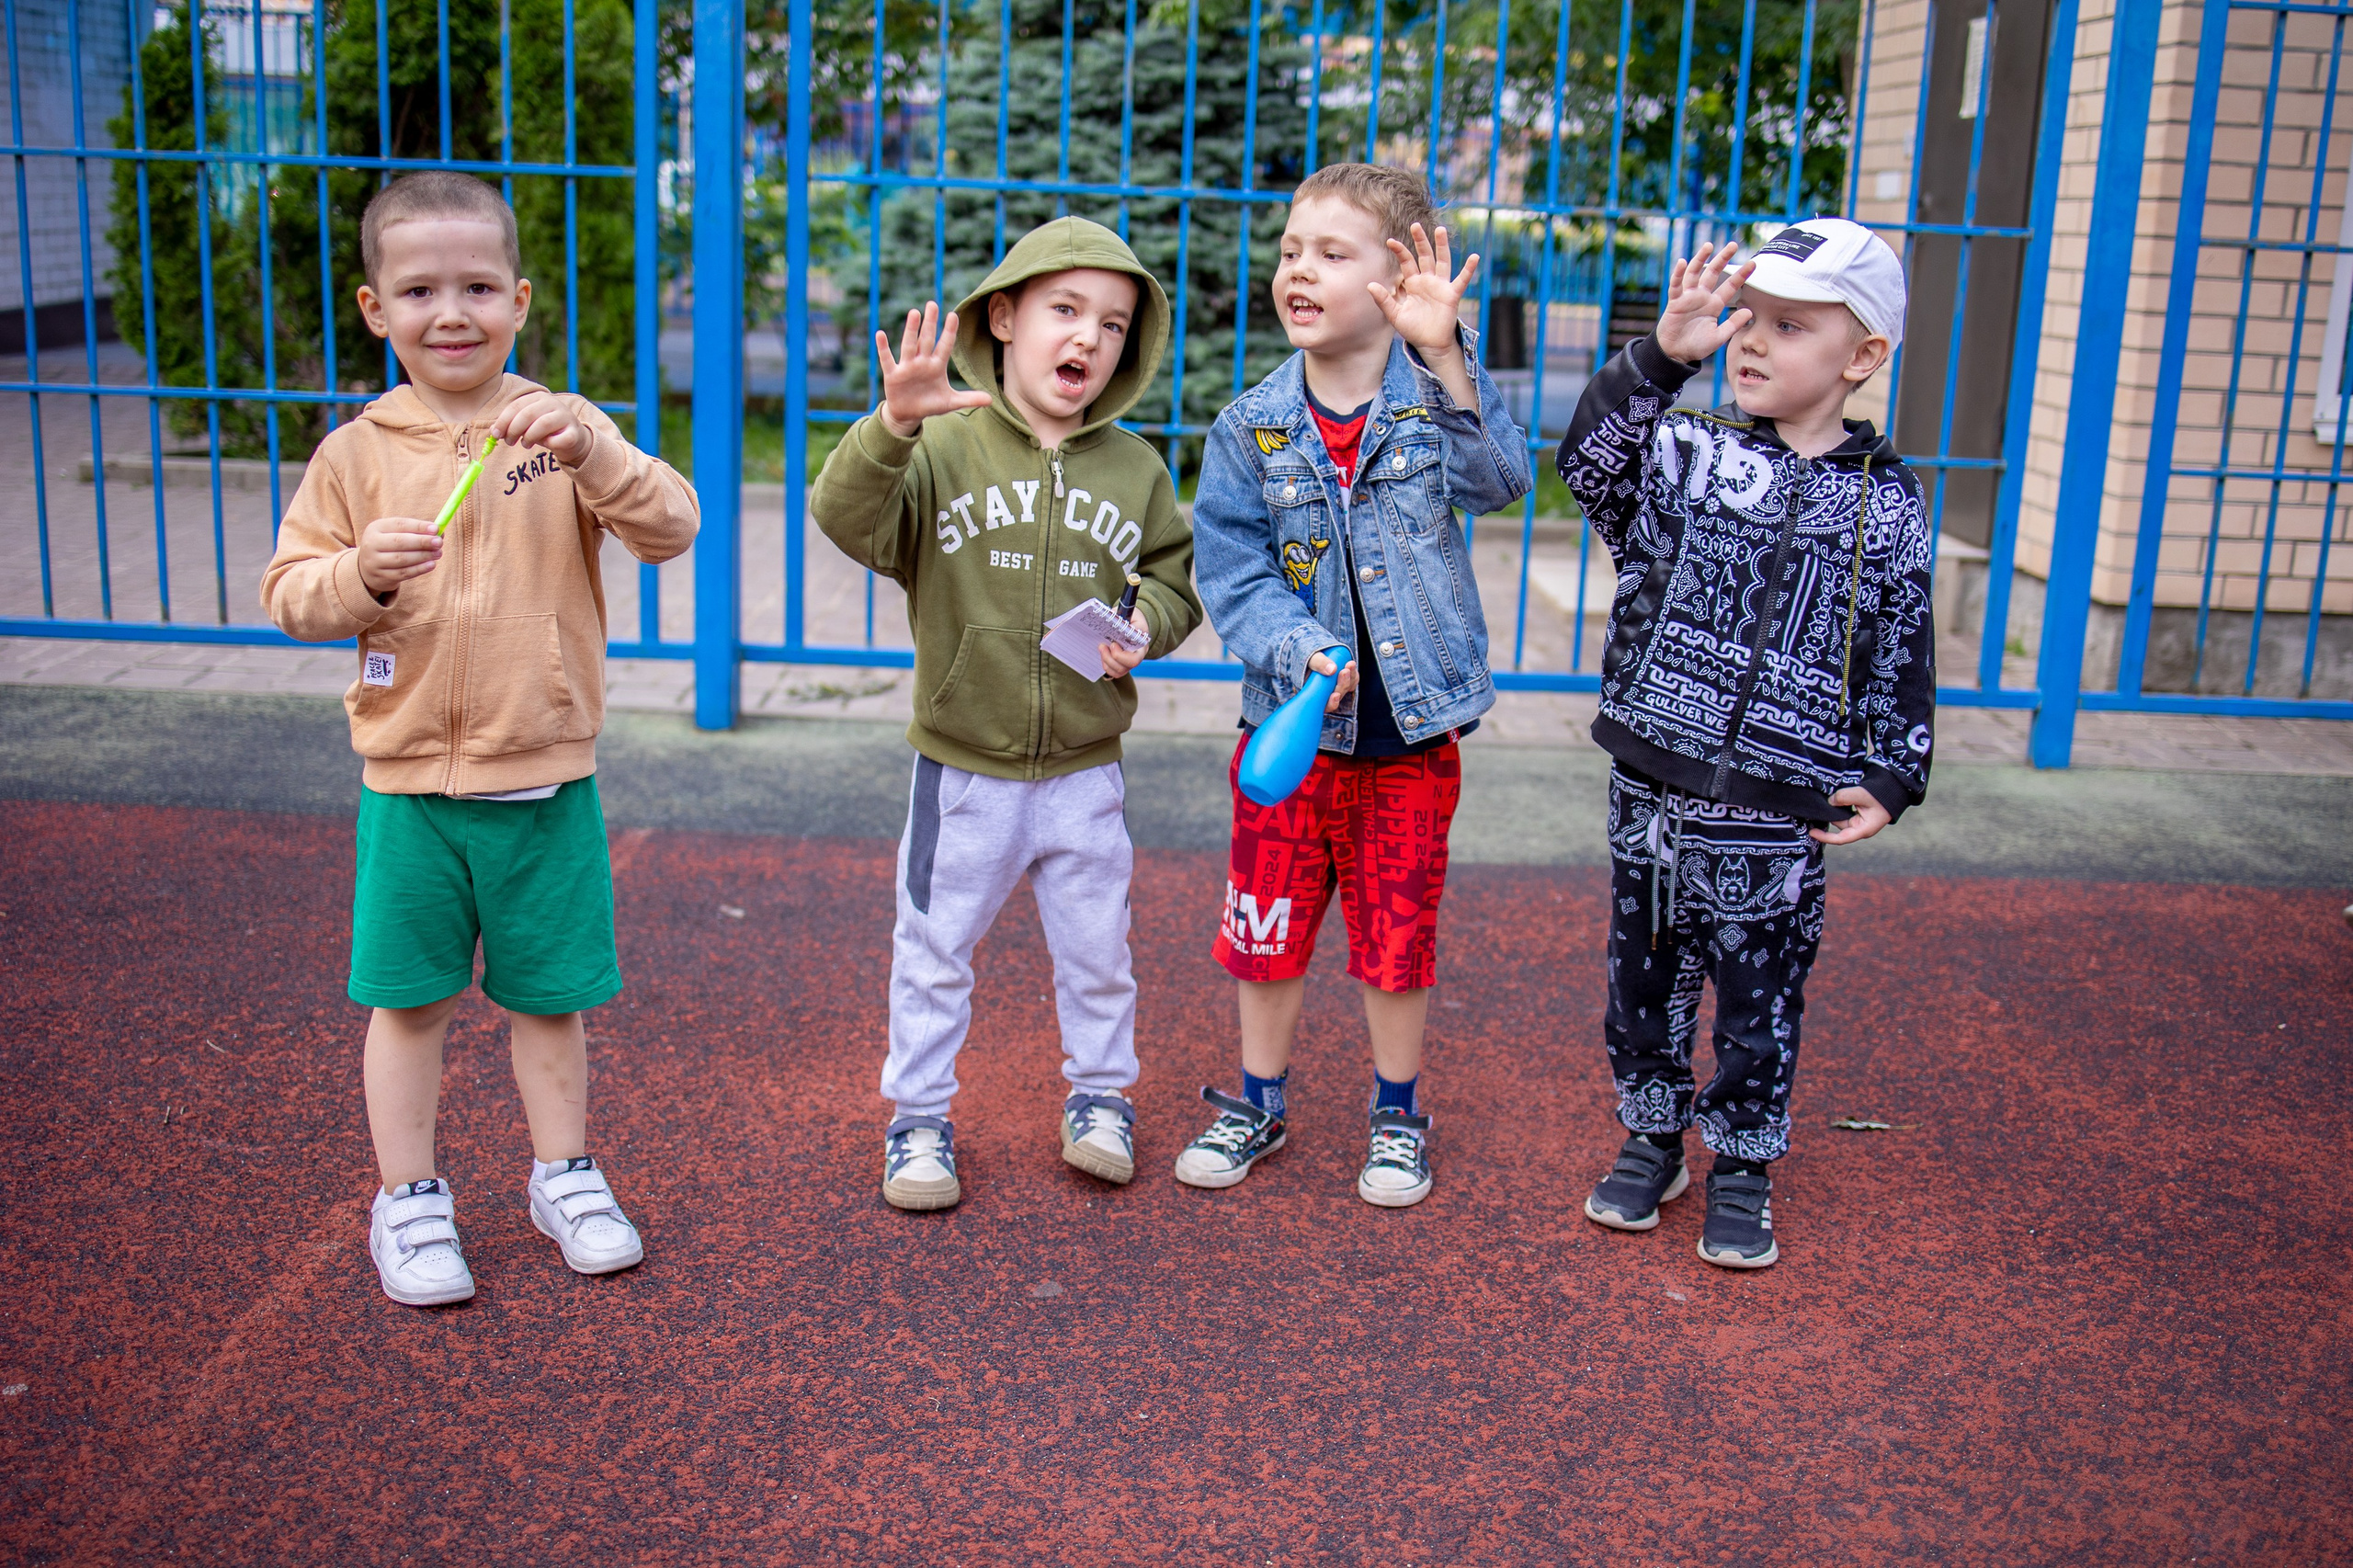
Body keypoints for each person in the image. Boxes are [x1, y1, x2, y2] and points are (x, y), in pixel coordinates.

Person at [260, 171, 699, 1306]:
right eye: (418, 289)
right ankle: (408, 1197)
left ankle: (566, 1174)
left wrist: (593, 449)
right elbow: (290, 591)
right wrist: (356, 576)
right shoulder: (356, 452)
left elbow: (671, 526)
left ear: (519, 299)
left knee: (550, 998)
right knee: (407, 1002)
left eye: (476, 286)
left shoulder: (561, 431)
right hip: (407, 786)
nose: (449, 312)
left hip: (544, 777)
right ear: (375, 309)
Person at [1555, 218, 1932, 1269]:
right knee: (1643, 979)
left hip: (1777, 800)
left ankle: (1744, 1162)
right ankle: (1650, 1136)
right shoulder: (1686, 454)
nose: (1753, 342)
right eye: (1747, 320)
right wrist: (1661, 357)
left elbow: (1900, 640)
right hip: (1651, 777)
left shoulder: (1887, 505)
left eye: (1789, 325)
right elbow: (1588, 463)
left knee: (1759, 996)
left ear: (1861, 357)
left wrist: (1893, 770)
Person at [811, 216, 1202, 1211]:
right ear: (1005, 317)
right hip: (964, 765)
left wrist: (1148, 621)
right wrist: (892, 426)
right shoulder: (939, 449)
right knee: (934, 951)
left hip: (1084, 767)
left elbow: (1172, 578)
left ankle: (1101, 1097)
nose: (1087, 338)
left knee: (1097, 948)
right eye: (1064, 311)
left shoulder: (1136, 468)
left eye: (1112, 325)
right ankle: (919, 1118)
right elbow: (845, 516)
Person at [1179, 164, 1532, 1209]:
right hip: (1290, 732)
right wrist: (1298, 648)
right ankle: (1257, 1098)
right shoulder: (1251, 427)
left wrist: (1443, 350)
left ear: (1394, 277)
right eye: (1292, 249)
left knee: (1396, 934)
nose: (1299, 269)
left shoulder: (1434, 402)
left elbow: (1503, 481)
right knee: (1265, 925)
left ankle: (1395, 1113)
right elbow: (1232, 571)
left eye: (1332, 253)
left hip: (1412, 740)